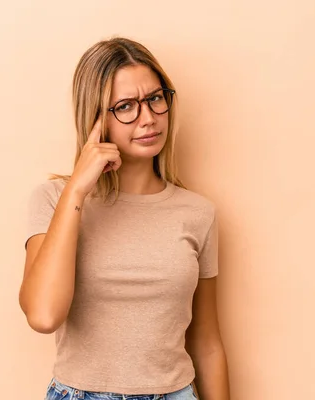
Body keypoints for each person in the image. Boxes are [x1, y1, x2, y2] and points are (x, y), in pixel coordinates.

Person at [19, 37, 229, 400]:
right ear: (95, 119)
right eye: (126, 106)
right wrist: (77, 191)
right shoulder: (54, 199)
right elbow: (42, 315)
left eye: (155, 99)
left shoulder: (198, 213)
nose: (148, 119)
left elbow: (207, 342)